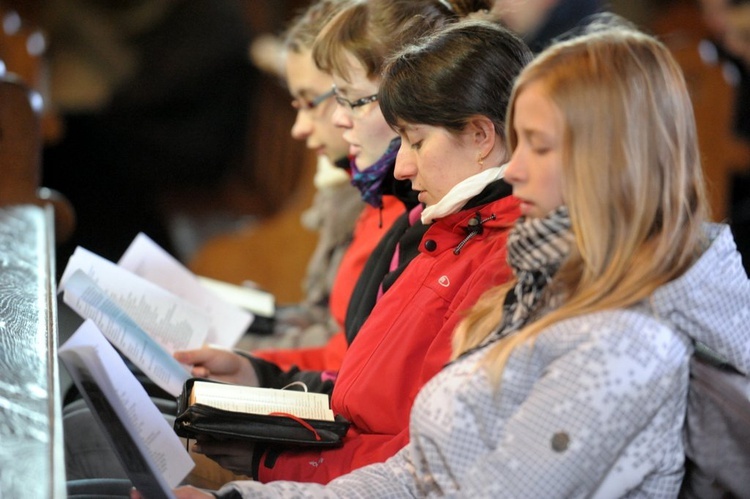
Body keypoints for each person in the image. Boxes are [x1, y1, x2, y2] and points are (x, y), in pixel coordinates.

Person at [145, 17, 750, 498]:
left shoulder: (623, 344)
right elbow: (423, 471)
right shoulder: (558, 282)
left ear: (606, 162)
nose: (513, 167)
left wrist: (261, 470)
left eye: (536, 145)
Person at [175, 7, 526, 485]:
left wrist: (270, 460)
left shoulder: (489, 251)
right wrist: (259, 377)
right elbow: (358, 380)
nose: (401, 166)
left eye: (415, 140)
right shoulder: (436, 224)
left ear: (482, 135)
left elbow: (421, 457)